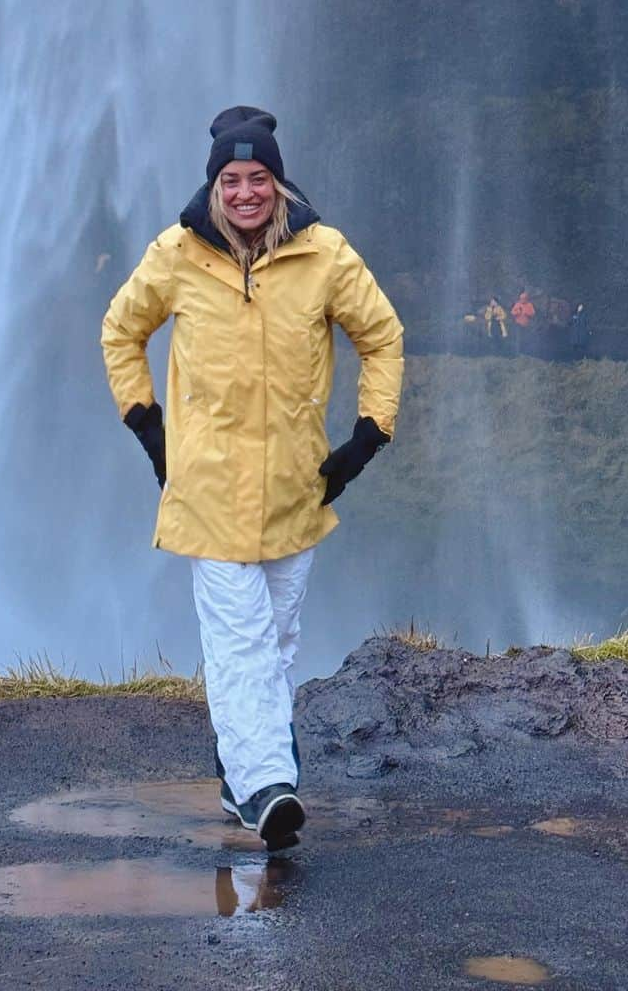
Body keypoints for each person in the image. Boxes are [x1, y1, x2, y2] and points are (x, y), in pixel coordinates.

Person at [101, 106, 403, 853]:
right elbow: (121, 329)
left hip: (297, 488)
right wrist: (148, 424)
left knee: (275, 642)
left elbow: (383, 337)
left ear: (277, 181)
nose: (244, 193)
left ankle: (240, 772)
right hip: (206, 489)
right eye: (230, 180)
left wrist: (365, 438)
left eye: (257, 178)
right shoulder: (176, 254)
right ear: (213, 186)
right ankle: (269, 785)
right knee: (240, 643)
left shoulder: (324, 256)